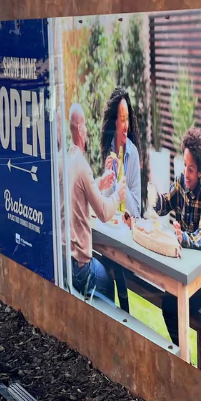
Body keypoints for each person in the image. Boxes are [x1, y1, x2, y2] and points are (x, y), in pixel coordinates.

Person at [150, 126, 201, 346]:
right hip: (179, 271)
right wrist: (153, 199)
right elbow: (165, 202)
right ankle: (181, 354)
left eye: (191, 169)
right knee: (167, 305)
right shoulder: (180, 183)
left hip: (196, 282)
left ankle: (182, 358)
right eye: (185, 166)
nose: (186, 173)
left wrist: (182, 237)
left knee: (169, 306)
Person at [66, 101, 123, 301]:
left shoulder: (69, 159)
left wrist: (100, 182)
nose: (88, 130)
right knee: (109, 282)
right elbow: (105, 213)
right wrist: (119, 194)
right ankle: (111, 328)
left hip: (67, 262)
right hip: (80, 269)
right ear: (81, 129)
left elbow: (80, 190)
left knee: (110, 270)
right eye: (86, 126)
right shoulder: (82, 165)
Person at [99, 87, 142, 311]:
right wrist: (108, 179)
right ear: (113, 122)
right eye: (121, 119)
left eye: (127, 119)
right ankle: (115, 313)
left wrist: (121, 187)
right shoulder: (109, 151)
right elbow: (104, 203)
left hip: (127, 231)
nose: (125, 125)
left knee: (112, 262)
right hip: (111, 229)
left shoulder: (132, 154)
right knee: (106, 258)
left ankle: (122, 312)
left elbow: (137, 212)